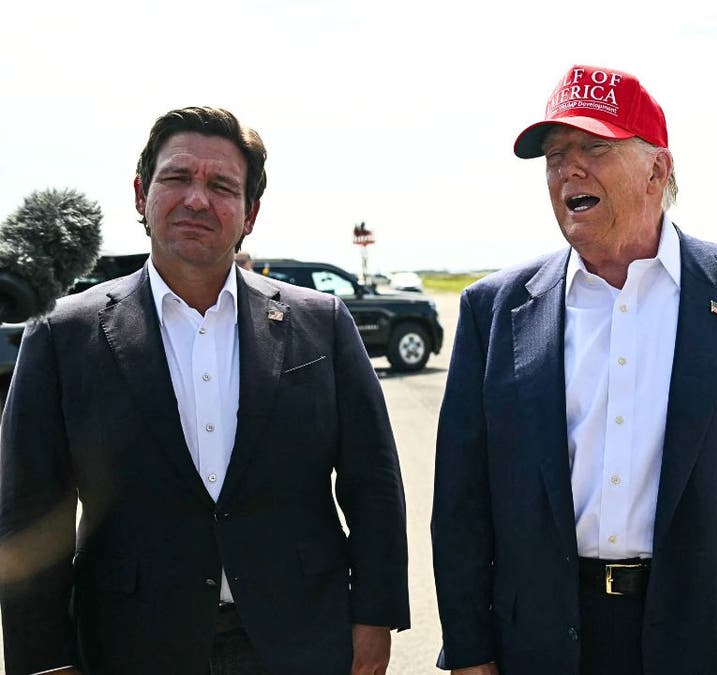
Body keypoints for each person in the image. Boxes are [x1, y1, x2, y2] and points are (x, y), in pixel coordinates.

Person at [432, 65, 717, 675]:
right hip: (539, 641)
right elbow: (461, 503)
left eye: (594, 147)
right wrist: (469, 653)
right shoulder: (495, 310)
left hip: (704, 640)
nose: (569, 169)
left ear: (656, 169)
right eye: (555, 155)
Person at [0, 107, 410, 674]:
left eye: (221, 186)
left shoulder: (323, 323)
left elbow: (374, 485)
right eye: (177, 178)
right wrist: (43, 661)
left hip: (304, 639)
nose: (196, 199)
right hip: (130, 646)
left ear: (250, 214)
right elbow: (28, 511)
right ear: (142, 193)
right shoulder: (61, 334)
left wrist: (375, 617)